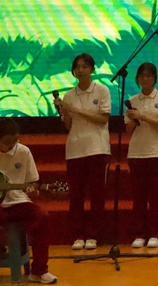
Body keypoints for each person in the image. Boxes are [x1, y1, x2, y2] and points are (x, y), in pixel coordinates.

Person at [0, 119, 58, 285]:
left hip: (18, 201)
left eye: (16, 140)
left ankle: (39, 271)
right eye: (7, 142)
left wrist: (33, 191)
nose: (12, 145)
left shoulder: (24, 152)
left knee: (43, 217)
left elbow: (33, 182)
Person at [56, 53, 111, 251]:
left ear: (92, 69)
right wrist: (65, 112)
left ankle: (94, 235)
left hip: (97, 148)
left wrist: (77, 110)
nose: (80, 70)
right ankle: (78, 235)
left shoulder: (102, 90)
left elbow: (103, 119)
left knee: (96, 195)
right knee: (76, 196)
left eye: (84, 66)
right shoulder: (69, 95)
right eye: (77, 67)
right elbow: (69, 126)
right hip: (75, 150)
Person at [124, 62, 158, 249]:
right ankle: (139, 233)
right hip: (136, 153)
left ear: (155, 78)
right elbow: (129, 131)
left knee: (156, 198)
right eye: (142, 76)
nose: (145, 79)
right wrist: (132, 119)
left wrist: (142, 117)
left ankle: (155, 233)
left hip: (157, 152)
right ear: (137, 79)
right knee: (138, 198)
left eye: (149, 76)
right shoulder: (132, 101)